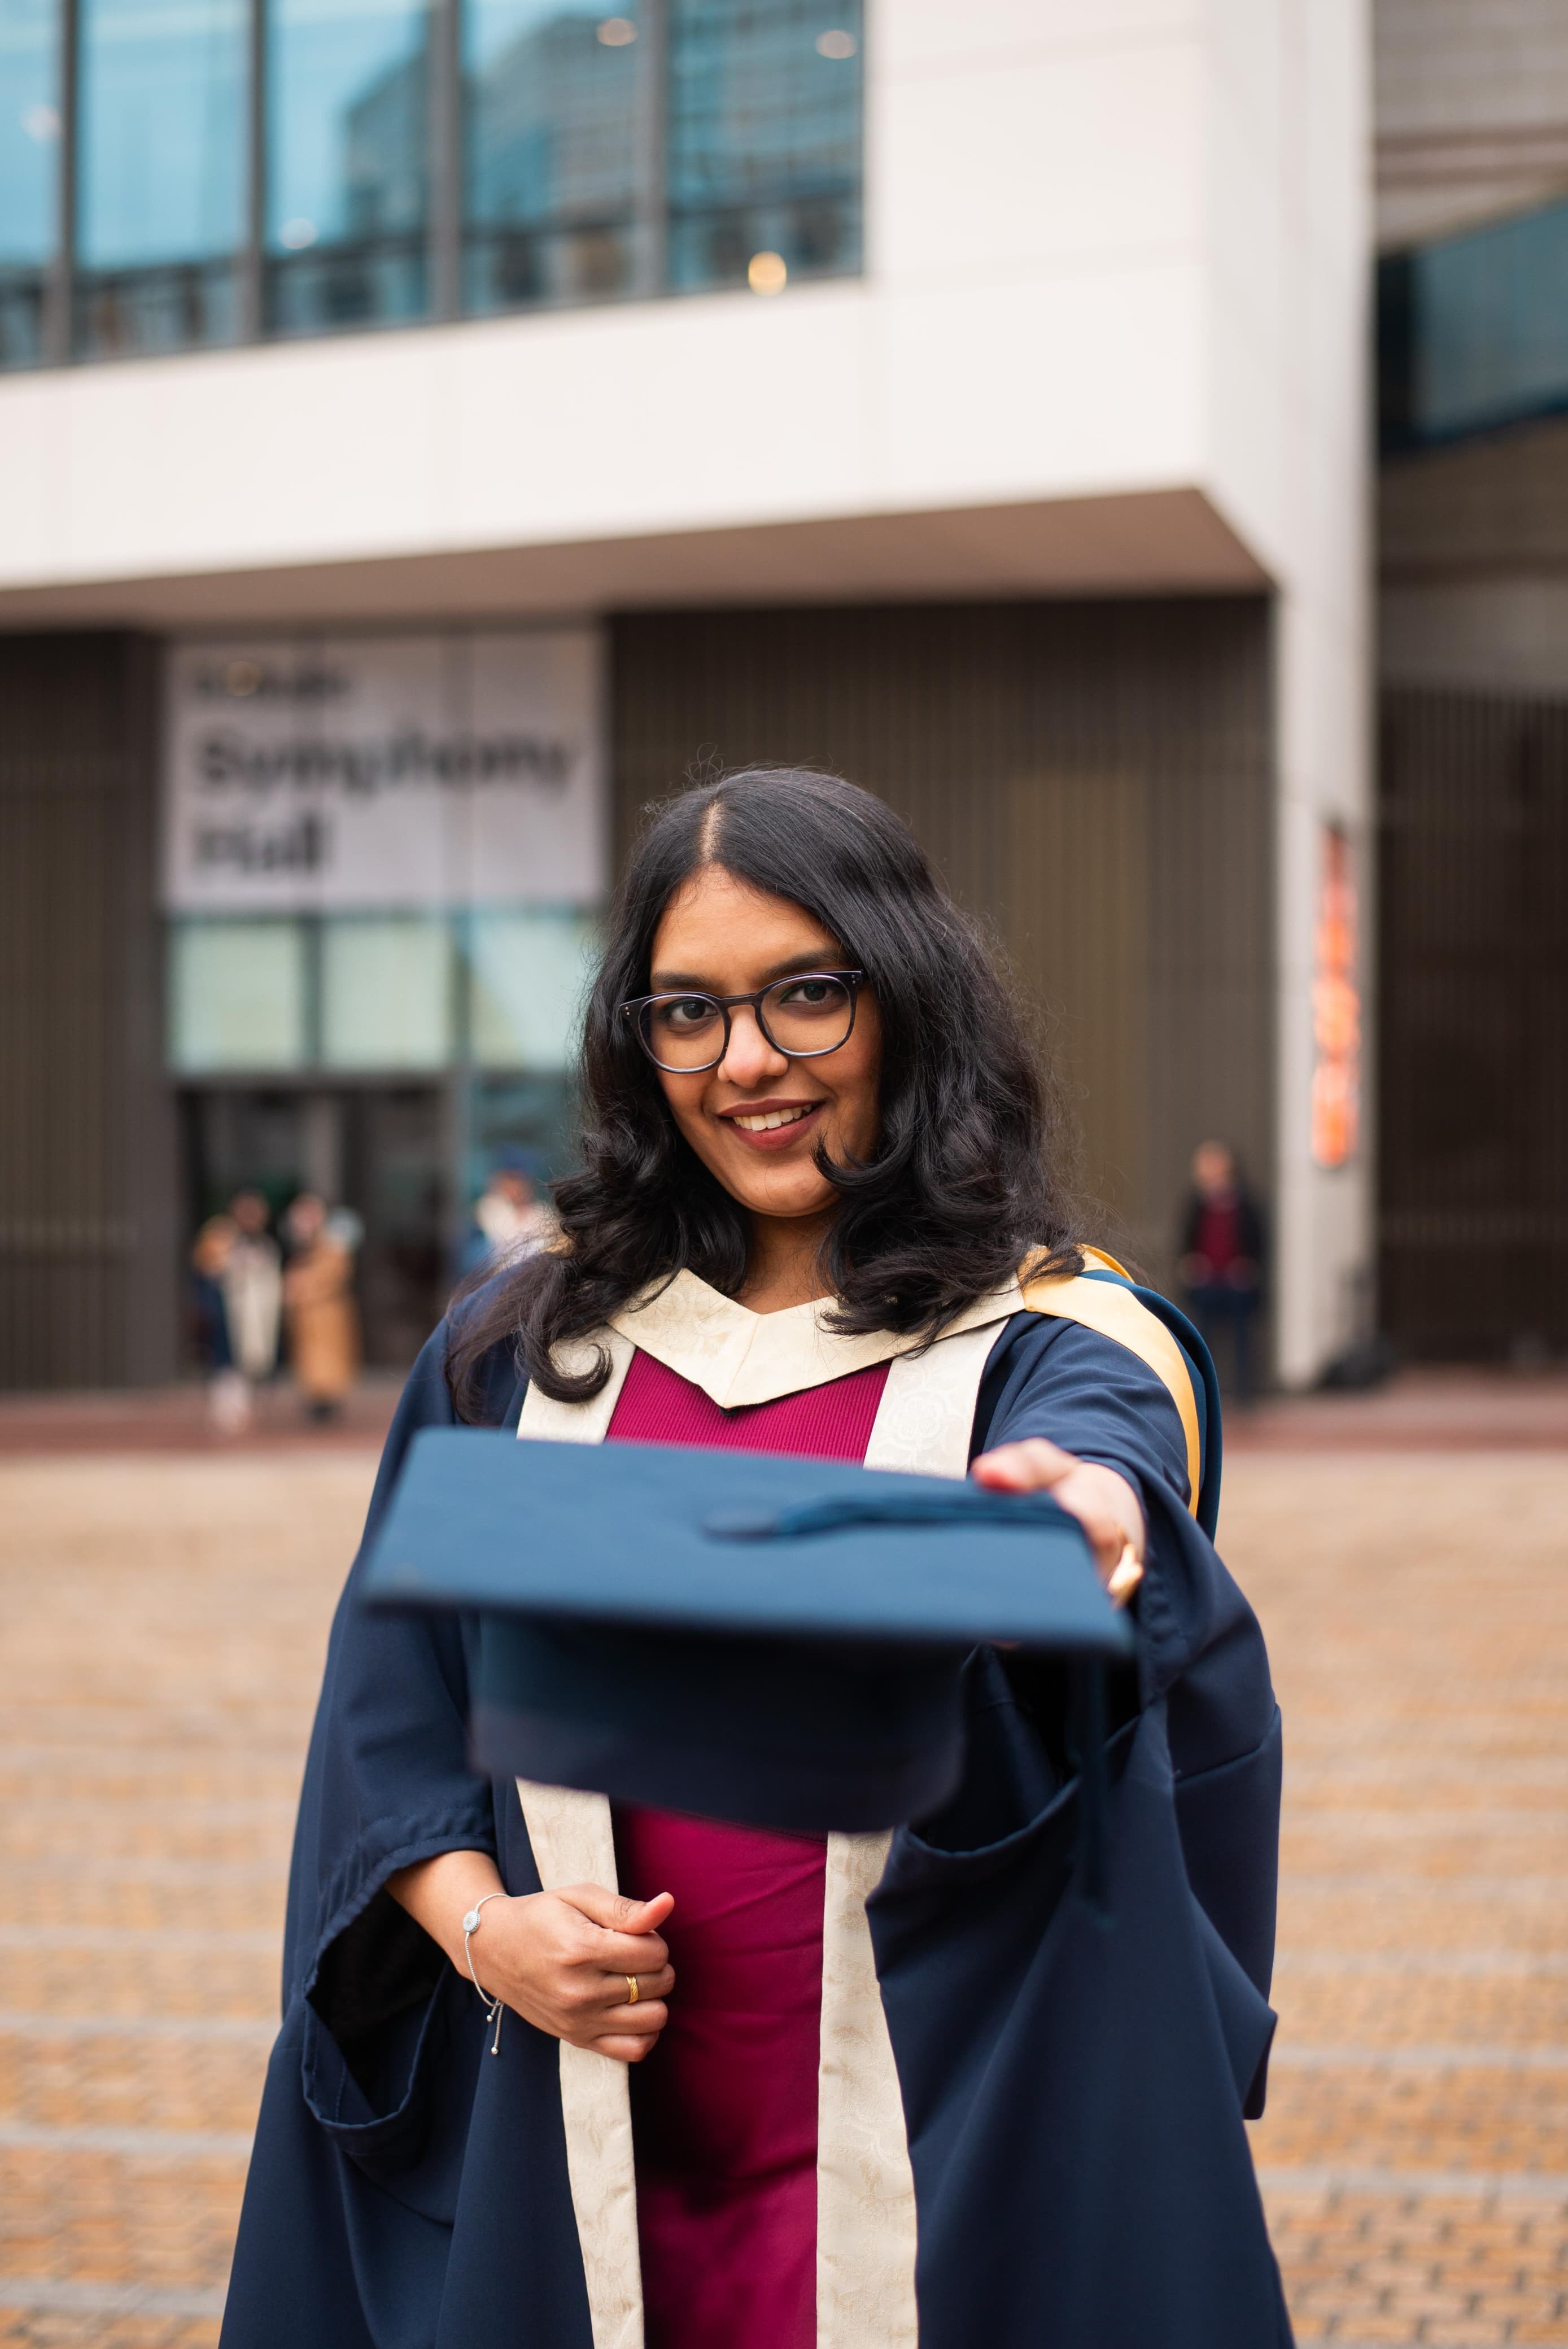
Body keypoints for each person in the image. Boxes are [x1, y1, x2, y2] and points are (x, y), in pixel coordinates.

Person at [222, 771, 1287, 2348]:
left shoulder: (1040, 1347)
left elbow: (1115, 1479)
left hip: (932, 2155)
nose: (748, 1063)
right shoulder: (522, 1352)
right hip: (584, 2150)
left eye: (806, 995)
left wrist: (1099, 1536)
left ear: (905, 998)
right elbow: (390, 1718)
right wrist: (487, 1935)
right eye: (689, 1011)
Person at [1178, 1139, 1265, 1401]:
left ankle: (1245, 1394)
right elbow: (1187, 1242)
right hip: (1207, 1283)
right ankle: (1203, 1391)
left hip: (1236, 1283)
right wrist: (1192, 1264)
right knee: (1199, 1336)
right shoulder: (1196, 1203)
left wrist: (1248, 1266)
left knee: (1243, 1337)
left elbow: (1258, 1242)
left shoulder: (1245, 1202)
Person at [282, 1191, 361, 1424]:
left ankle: (327, 1404)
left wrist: (300, 1287)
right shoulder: (303, 1245)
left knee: (329, 1362)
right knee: (310, 1363)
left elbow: (335, 1273)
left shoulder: (333, 1243)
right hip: (307, 1316)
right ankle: (316, 1401)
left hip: (327, 1314)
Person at [457, 1148, 557, 1280]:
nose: (516, 1187)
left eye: (520, 1180)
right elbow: (472, 1263)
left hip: (533, 1287)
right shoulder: (488, 1210)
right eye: (510, 1179)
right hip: (495, 1288)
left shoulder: (544, 1214)